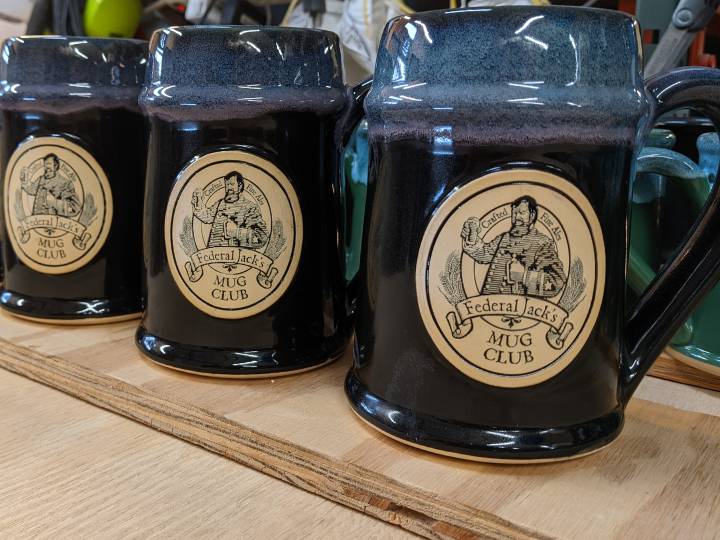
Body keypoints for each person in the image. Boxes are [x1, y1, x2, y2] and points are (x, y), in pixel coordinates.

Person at [461, 195, 565, 297]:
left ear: (532, 215)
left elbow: (557, 282)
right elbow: (485, 254)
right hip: (490, 307)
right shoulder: (504, 238)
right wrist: (472, 237)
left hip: (519, 311)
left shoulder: (542, 242)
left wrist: (524, 276)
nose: (517, 217)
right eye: (514, 213)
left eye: (522, 213)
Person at [192, 171, 269, 249]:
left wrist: (237, 232)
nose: (228, 187)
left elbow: (262, 237)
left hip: (238, 258)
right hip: (213, 256)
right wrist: (198, 203)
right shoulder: (220, 203)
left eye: (231, 184)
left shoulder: (249, 207)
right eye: (227, 184)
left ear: (240, 186)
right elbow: (208, 217)